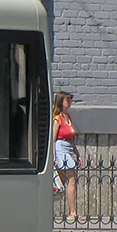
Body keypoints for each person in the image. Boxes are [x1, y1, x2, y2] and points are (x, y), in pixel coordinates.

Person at [52, 90, 80, 223]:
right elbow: (53, 139)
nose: (69, 103)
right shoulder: (57, 119)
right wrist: (54, 157)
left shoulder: (68, 117)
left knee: (68, 180)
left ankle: (72, 211)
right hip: (61, 148)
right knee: (71, 179)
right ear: (61, 102)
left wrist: (77, 154)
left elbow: (71, 139)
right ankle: (72, 212)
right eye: (67, 100)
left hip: (69, 148)